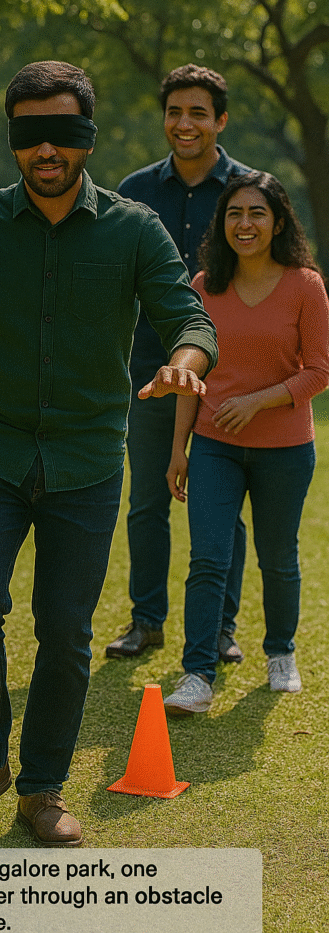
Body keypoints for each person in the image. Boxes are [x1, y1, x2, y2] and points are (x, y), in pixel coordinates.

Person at [0, 60, 218, 846]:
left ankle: (40, 790)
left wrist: (184, 363)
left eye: (61, 133)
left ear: (87, 139)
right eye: (30, 134)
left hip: (87, 462)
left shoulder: (133, 228)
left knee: (64, 630)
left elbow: (190, 320)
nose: (46, 150)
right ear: (13, 142)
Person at [163, 171, 329, 715]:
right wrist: (177, 449)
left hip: (284, 448)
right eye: (235, 213)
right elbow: (190, 373)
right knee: (208, 559)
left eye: (257, 213)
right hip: (213, 445)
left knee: (278, 558)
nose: (245, 224)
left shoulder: (305, 285)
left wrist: (259, 400)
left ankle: (281, 653)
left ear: (278, 221)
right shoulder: (204, 286)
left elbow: (320, 370)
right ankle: (197, 675)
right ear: (222, 223)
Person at [106, 64, 251, 662]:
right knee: (146, 502)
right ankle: (146, 621)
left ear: (220, 120)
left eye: (198, 112)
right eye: (174, 112)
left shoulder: (250, 191)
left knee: (221, 509)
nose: (184, 124)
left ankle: (220, 629)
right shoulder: (135, 192)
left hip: (230, 378)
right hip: (149, 373)